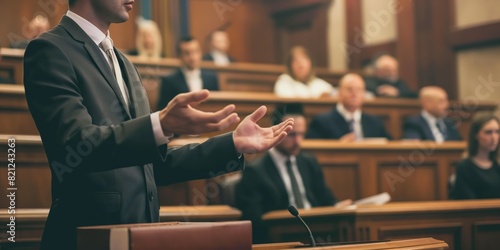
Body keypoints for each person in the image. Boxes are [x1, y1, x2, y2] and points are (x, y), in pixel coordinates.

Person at [23, 1, 294, 249]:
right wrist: (159, 125)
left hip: (143, 235)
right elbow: (75, 145)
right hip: (84, 238)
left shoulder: (125, 63)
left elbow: (151, 166)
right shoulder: (50, 49)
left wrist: (232, 144)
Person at [235, 103, 351, 243]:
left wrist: (338, 206)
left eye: (302, 134)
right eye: (292, 135)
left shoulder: (309, 162)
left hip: (318, 234)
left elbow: (326, 198)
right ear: (276, 131)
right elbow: (254, 221)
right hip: (282, 240)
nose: (298, 141)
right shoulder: (255, 171)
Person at [307, 73, 392, 141]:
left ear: (363, 94)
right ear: (339, 93)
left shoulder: (375, 122)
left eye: (359, 89)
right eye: (349, 89)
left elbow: (389, 145)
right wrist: (338, 147)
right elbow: (312, 152)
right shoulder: (322, 122)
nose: (354, 94)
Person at [157, 36, 219, 110]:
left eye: (196, 51)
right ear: (179, 55)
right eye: (187, 53)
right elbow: (163, 110)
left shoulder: (211, 78)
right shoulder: (169, 81)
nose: (192, 57)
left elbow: (217, 105)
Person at [450, 115, 500, 199]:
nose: (494, 137)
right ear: (476, 135)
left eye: (497, 132)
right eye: (488, 132)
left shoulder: (497, 164)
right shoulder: (465, 167)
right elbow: (468, 203)